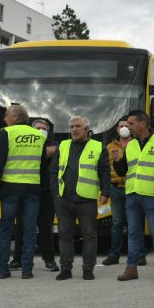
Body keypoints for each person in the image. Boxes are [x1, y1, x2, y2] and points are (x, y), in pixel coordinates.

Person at [0, 104, 45, 279]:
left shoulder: (6, 133)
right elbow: (42, 165)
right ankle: (27, 270)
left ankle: (3, 270)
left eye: (6, 115)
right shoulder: (39, 136)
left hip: (10, 188)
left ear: (14, 117)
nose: (5, 119)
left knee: (5, 230)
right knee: (29, 230)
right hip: (33, 189)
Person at [51, 116, 111, 281]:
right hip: (63, 198)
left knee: (89, 235)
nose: (74, 129)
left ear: (87, 129)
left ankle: (88, 269)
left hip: (87, 199)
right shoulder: (63, 146)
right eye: (71, 127)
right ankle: (65, 269)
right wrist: (55, 192)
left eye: (78, 126)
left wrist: (105, 192)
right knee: (64, 234)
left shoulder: (98, 147)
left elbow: (105, 172)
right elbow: (53, 170)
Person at [114, 110, 154, 281]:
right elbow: (123, 170)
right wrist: (116, 162)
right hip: (132, 194)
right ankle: (131, 268)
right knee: (133, 233)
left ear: (142, 123)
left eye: (130, 124)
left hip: (151, 194)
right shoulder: (131, 145)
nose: (127, 127)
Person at [12, 117, 59, 272]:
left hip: (46, 193)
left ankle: (49, 259)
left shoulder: (54, 146)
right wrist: (44, 153)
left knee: (46, 227)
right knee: (22, 226)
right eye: (37, 128)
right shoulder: (25, 145)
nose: (41, 131)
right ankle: (17, 259)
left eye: (44, 129)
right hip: (27, 191)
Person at [101, 117, 131, 266]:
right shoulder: (110, 146)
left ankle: (138, 254)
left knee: (134, 223)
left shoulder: (136, 144)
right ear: (117, 129)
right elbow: (106, 168)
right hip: (116, 189)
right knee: (117, 223)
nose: (124, 128)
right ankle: (114, 255)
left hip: (132, 189)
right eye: (121, 126)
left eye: (127, 125)